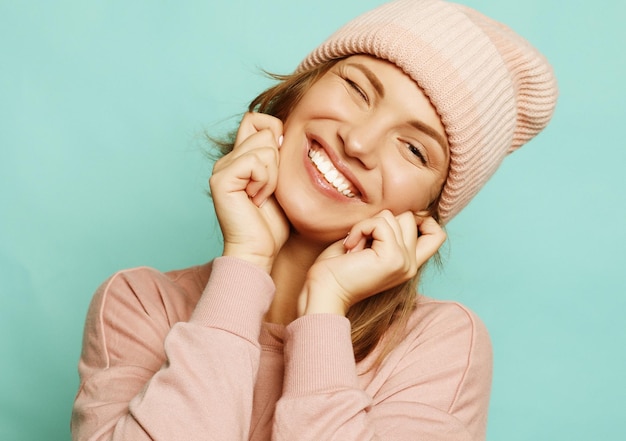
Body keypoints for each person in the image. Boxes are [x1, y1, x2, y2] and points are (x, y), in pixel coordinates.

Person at [70, 0, 557, 439]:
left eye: (413, 148)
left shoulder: (441, 345)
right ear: (295, 95)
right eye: (356, 89)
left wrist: (325, 309)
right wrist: (246, 261)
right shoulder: (139, 304)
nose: (359, 143)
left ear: (426, 214)